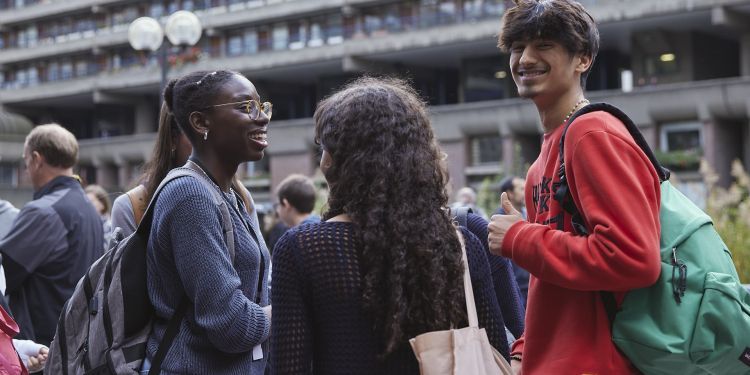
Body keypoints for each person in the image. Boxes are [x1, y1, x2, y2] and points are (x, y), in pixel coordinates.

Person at [271, 77, 511, 374]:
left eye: (324, 147)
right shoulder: (460, 245)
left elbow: (287, 366)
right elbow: (495, 347)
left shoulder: (303, 249)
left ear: (340, 161)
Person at [488, 1, 661, 374]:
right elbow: (547, 278)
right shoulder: (541, 163)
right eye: (517, 47)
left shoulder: (592, 133)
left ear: (582, 58)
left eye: (544, 45)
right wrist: (523, 350)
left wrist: (520, 239)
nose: (525, 58)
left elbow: (633, 258)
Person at [142, 70, 272, 374]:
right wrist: (293, 307)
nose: (262, 117)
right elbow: (232, 325)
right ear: (200, 123)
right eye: (244, 108)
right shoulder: (190, 194)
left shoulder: (228, 194)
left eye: (261, 106)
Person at [0, 124, 104, 347]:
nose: (26, 169)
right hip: (78, 340)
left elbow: (4, 273)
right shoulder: (89, 209)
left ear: (37, 159)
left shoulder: (43, 211)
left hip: (41, 346)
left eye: (25, 160)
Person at [110, 102, 193, 237]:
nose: (209, 141)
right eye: (195, 129)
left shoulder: (235, 197)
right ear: (172, 138)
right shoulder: (132, 207)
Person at [496, 176, 530, 307]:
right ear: (509, 193)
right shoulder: (499, 220)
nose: (525, 191)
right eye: (521, 188)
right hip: (515, 286)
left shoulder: (528, 214)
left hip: (528, 282)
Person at [85, 184, 113, 250]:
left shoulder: (109, 226)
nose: (87, 205)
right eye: (85, 201)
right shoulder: (86, 224)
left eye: (91, 201)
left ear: (102, 204)